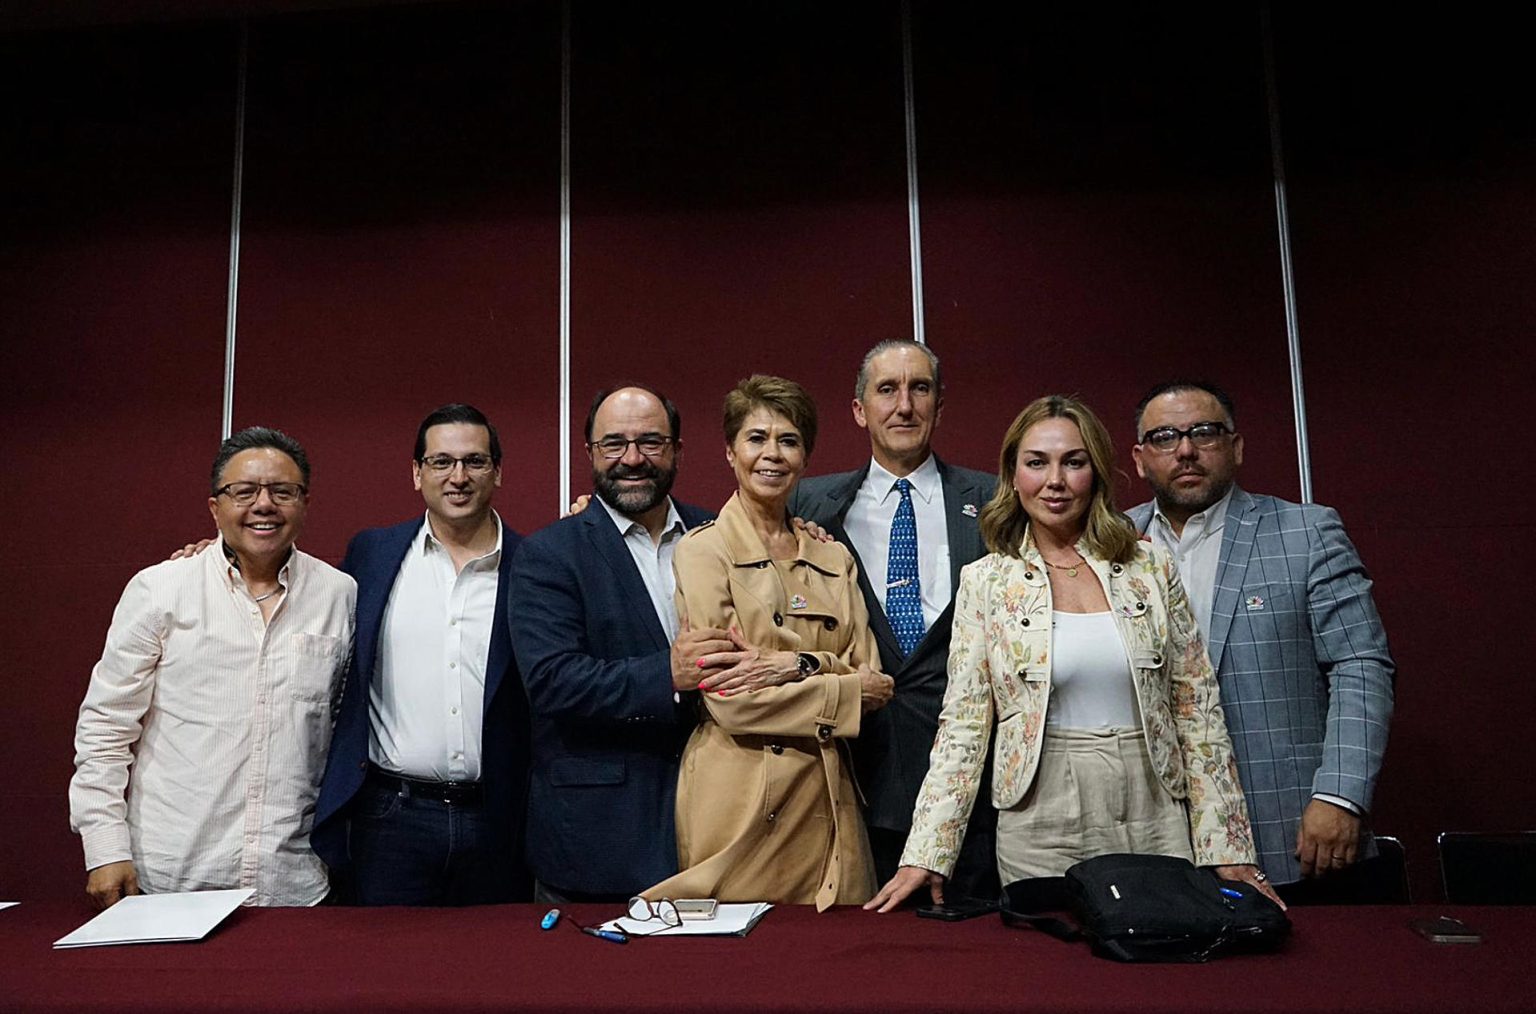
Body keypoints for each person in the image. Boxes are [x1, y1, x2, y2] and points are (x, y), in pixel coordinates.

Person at [868, 395, 1277, 913]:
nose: (1055, 480)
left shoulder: (1149, 568)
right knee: (1054, 978)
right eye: (1037, 463)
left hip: (1153, 807)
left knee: (1160, 966)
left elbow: (1197, 714)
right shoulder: (987, 582)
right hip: (1039, 816)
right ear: (1014, 476)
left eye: (1073, 462)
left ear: (1097, 473)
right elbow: (963, 730)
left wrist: (1230, 848)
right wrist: (927, 852)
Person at [1127, 380, 1394, 897]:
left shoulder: (1304, 532)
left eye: (1204, 432)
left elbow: (1362, 666)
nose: (1185, 449)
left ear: (1237, 447)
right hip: (1155, 834)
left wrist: (1340, 796)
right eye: (1164, 437)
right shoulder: (1111, 542)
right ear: (1140, 459)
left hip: (1289, 829)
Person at [70, 427, 355, 908]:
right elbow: (105, 726)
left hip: (295, 882)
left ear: (304, 503)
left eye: (282, 492)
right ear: (214, 507)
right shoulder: (161, 589)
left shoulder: (340, 595)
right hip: (171, 874)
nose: (263, 505)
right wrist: (104, 847)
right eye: (243, 492)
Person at [645, 375, 895, 911]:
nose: (772, 455)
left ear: (805, 457)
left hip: (830, 801)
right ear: (730, 452)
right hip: (738, 799)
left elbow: (873, 682)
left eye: (789, 440)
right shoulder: (702, 552)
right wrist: (838, 682)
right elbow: (730, 698)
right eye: (756, 438)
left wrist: (794, 663)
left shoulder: (834, 557)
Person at [789, 339, 999, 899]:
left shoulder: (999, 501)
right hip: (851, 782)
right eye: (887, 390)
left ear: (938, 406)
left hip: (971, 790)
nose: (904, 405)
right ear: (860, 410)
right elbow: (728, 543)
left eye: (919, 388)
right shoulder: (807, 504)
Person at [310, 403, 530, 905]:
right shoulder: (372, 554)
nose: (458, 477)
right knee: (387, 974)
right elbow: (298, 588)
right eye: (441, 462)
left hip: (498, 821)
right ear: (416, 473)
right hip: (390, 821)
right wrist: (218, 556)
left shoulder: (535, 563)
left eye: (474, 462)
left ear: (497, 471)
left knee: (495, 973)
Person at [509, 386, 721, 903]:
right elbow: (553, 683)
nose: (632, 459)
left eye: (651, 442)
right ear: (589, 454)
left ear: (677, 450)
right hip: (597, 840)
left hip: (720, 822)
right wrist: (666, 675)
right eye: (614, 444)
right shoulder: (548, 554)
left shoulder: (718, 535)